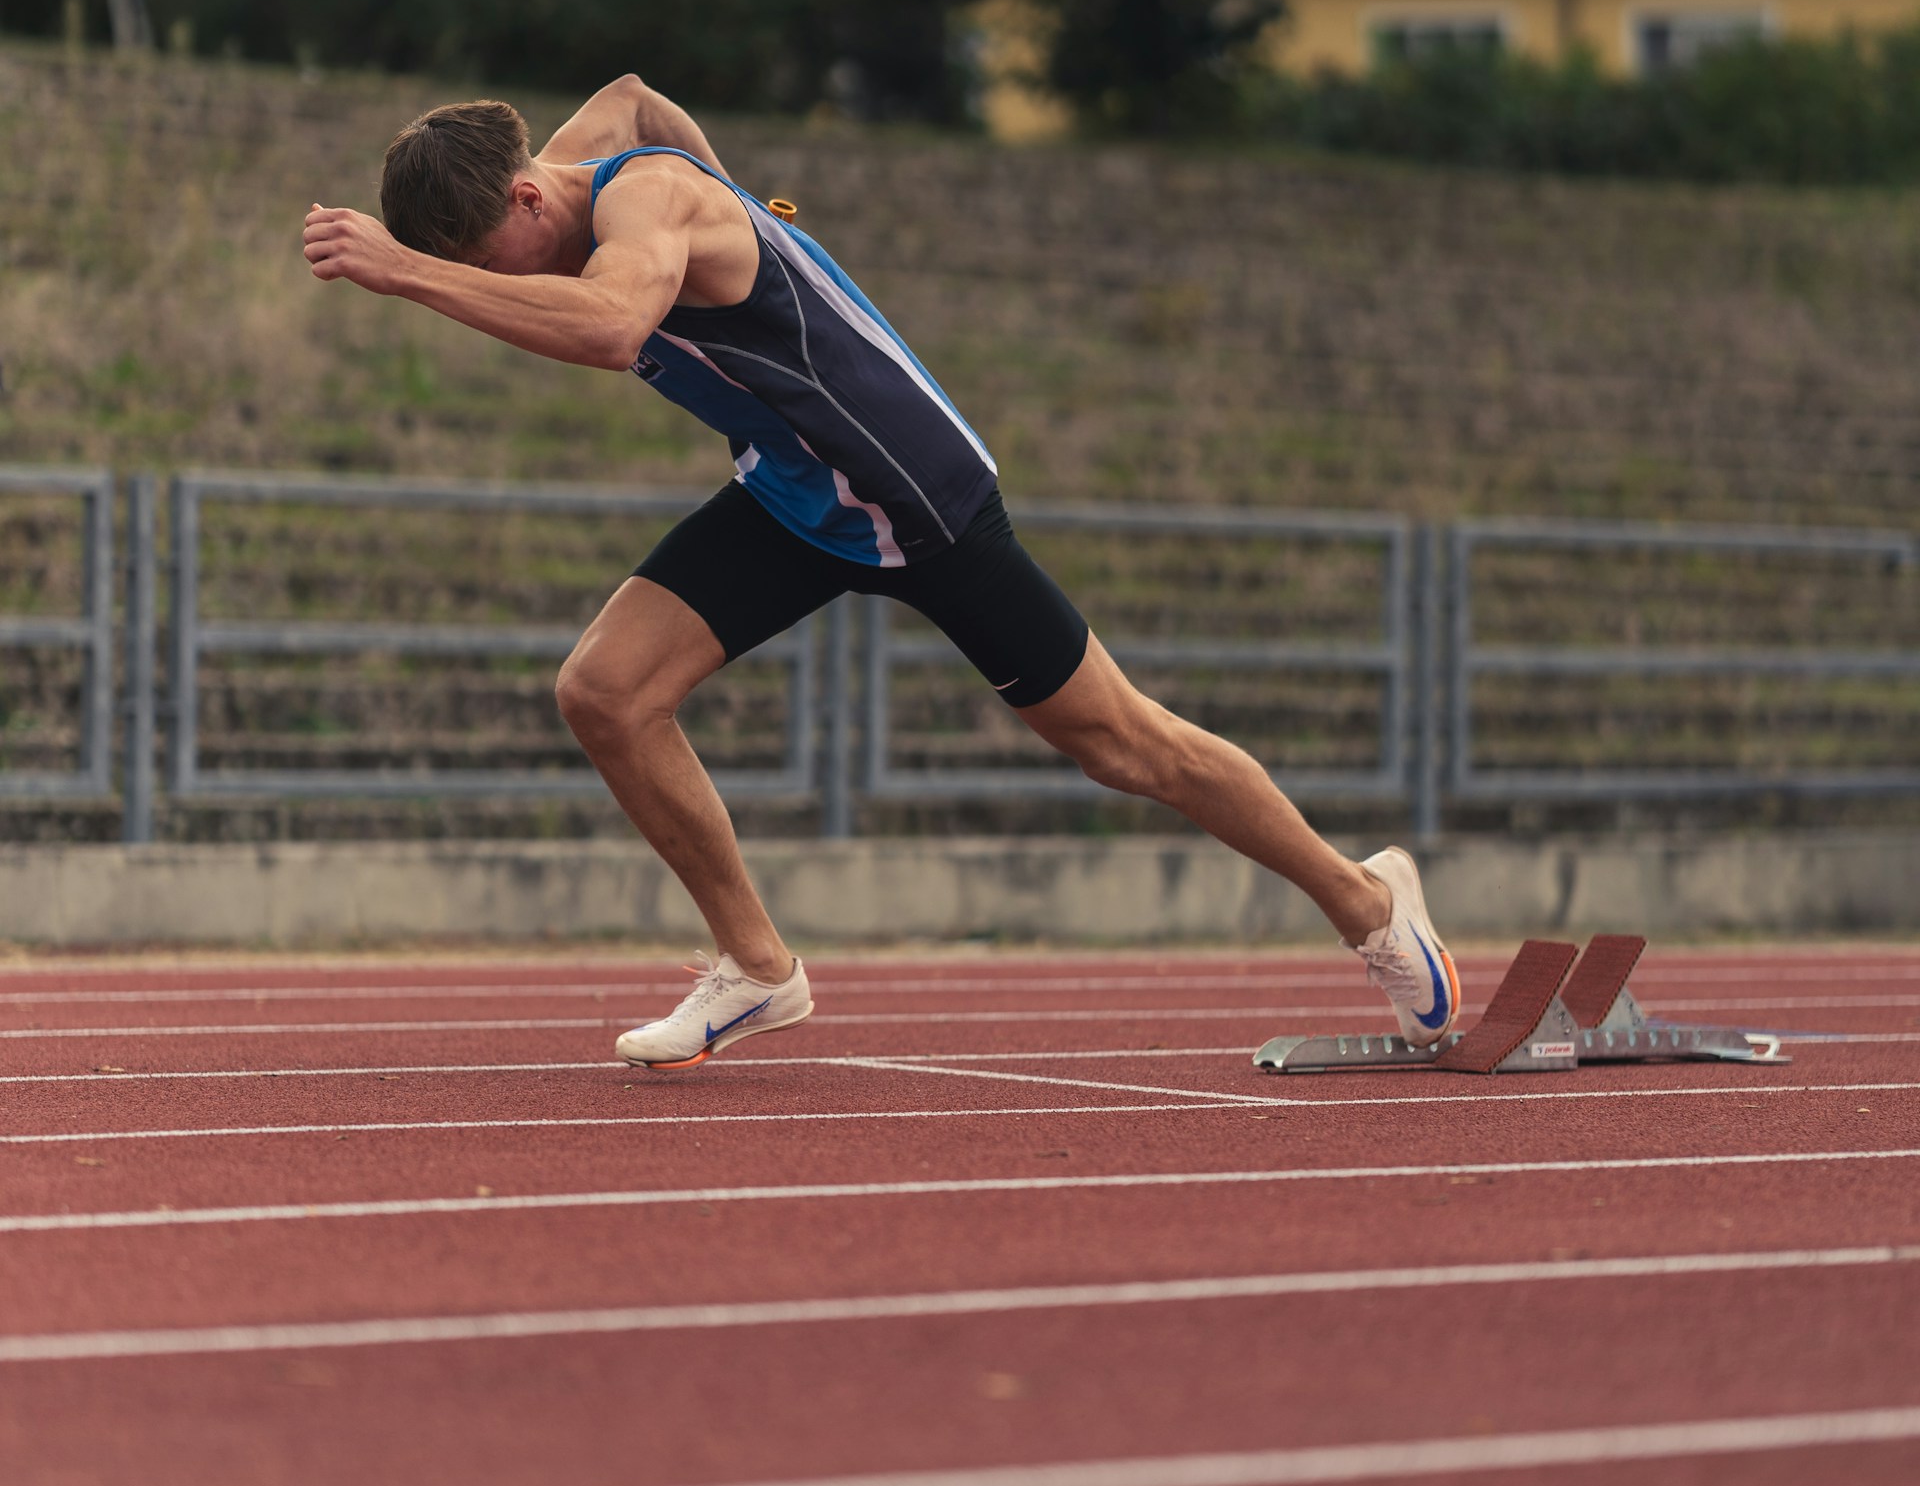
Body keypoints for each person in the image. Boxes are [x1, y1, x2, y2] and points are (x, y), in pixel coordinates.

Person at [303, 72, 1460, 1066]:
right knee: (605, 691)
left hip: (911, 491)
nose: (499, 283)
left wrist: (410, 276)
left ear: (521, 195)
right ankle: (758, 967)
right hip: (795, 492)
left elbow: (608, 328)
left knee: (1124, 743)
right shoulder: (576, 158)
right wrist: (761, 220)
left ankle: (1366, 900)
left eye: (493, 261)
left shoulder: (646, 203)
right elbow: (632, 93)